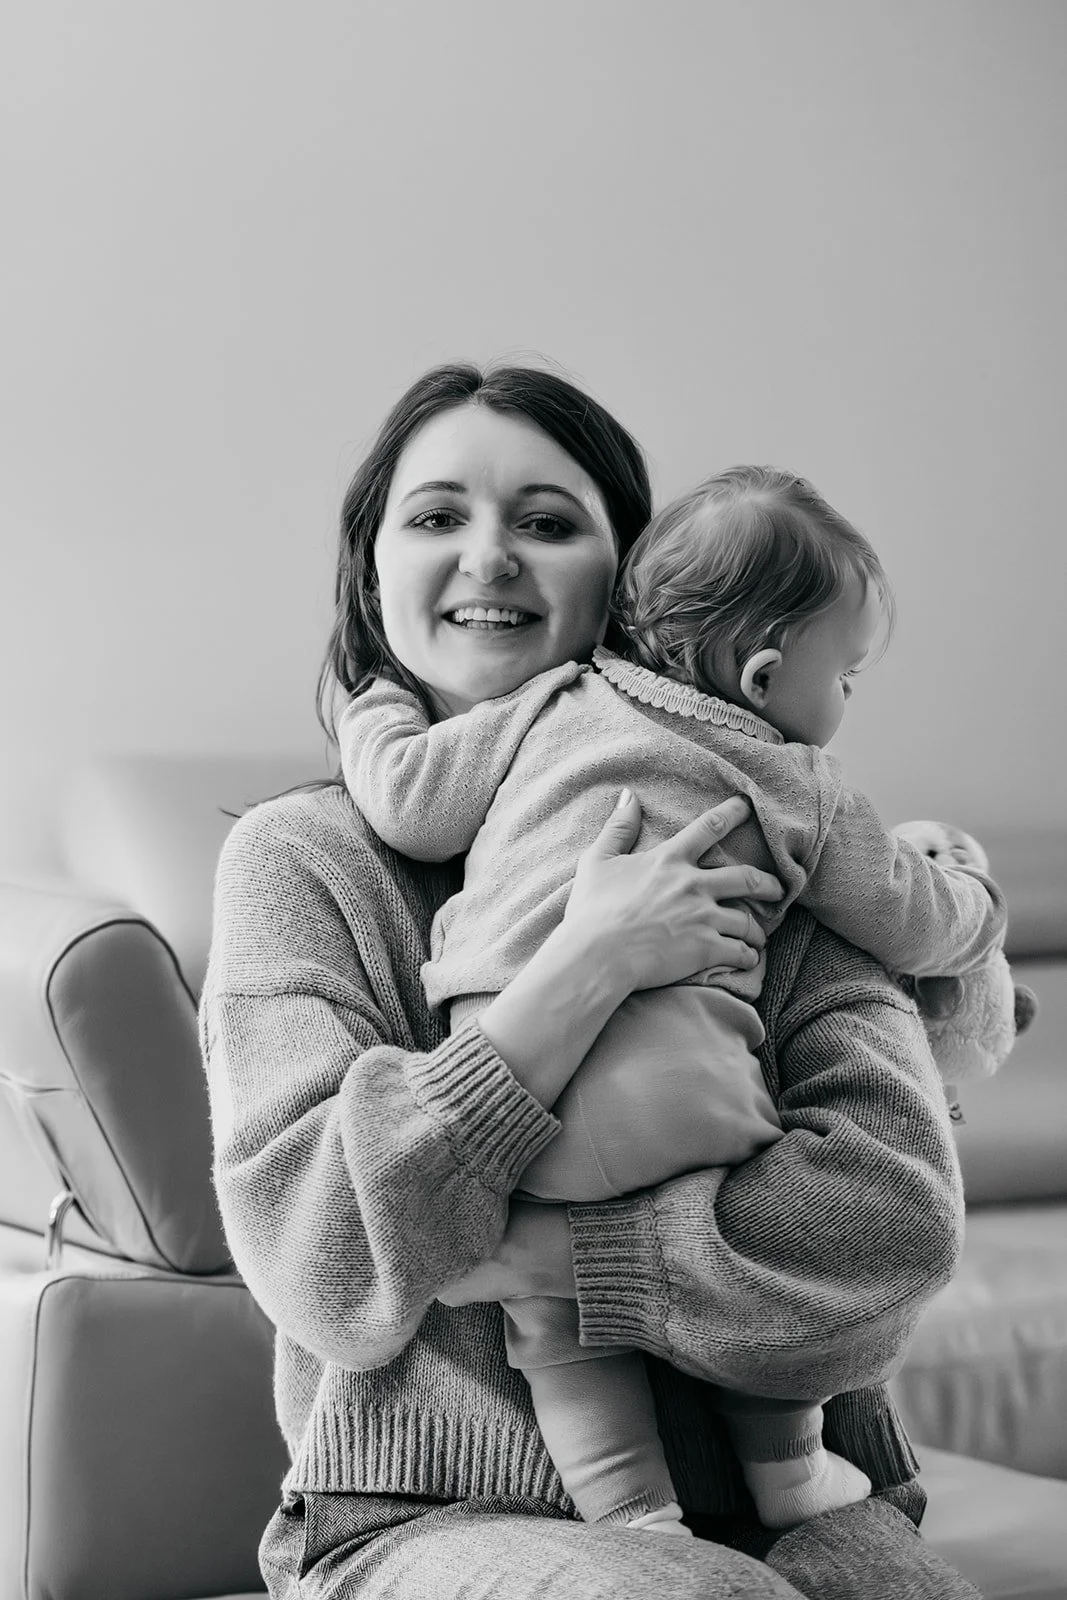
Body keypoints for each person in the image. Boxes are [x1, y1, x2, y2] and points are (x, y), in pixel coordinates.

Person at [201, 361, 982, 1599]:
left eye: (547, 522)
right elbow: (325, 1262)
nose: (491, 555)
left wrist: (567, 1263)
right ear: (372, 573)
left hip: (799, 1501)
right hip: (431, 1514)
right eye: (437, 515)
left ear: (627, 579)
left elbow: (889, 1223)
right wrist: (582, 966)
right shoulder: (300, 863)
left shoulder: (755, 818)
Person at [336, 461, 1005, 1535]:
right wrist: (972, 902)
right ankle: (784, 1469)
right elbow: (911, 916)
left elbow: (406, 800)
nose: (492, 552)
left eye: (547, 520)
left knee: (556, 1334)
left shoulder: (552, 703)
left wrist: (369, 711)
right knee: (768, 1287)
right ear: (761, 677)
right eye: (849, 677)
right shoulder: (799, 782)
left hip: (520, 1132)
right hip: (687, 1108)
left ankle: (632, 1513)